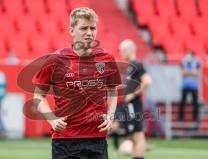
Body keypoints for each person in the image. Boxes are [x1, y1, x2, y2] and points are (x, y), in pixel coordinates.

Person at [32, 7, 121, 159]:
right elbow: (38, 96)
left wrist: (110, 116)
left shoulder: (106, 58)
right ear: (72, 30)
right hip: (66, 140)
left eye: (93, 28)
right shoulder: (55, 60)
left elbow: (112, 90)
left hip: (97, 138)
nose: (89, 32)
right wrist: (52, 120)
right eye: (83, 28)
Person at [112, 39, 152, 159]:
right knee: (132, 138)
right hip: (129, 106)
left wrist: (133, 94)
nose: (121, 52)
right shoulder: (130, 66)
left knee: (137, 137)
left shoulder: (137, 64)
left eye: (123, 50)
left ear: (130, 50)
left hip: (133, 105)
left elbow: (147, 81)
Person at [179, 51, 201, 122]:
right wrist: (192, 72)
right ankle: (181, 117)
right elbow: (183, 73)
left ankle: (195, 117)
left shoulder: (197, 62)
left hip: (194, 86)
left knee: (195, 102)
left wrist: (188, 72)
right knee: (182, 102)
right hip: (185, 86)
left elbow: (197, 73)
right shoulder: (183, 61)